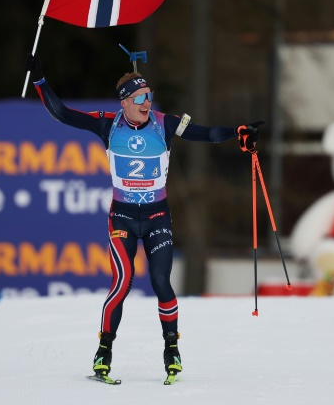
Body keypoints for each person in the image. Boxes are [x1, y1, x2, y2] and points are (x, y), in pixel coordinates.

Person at [26, 54, 262, 382]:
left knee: (161, 282)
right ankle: (104, 352)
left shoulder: (164, 123)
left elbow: (204, 134)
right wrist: (40, 80)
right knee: (122, 283)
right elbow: (63, 114)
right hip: (122, 217)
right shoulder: (108, 124)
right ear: (124, 102)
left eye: (149, 95)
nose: (146, 102)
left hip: (156, 218)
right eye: (139, 98)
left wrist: (237, 132)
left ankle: (172, 351)